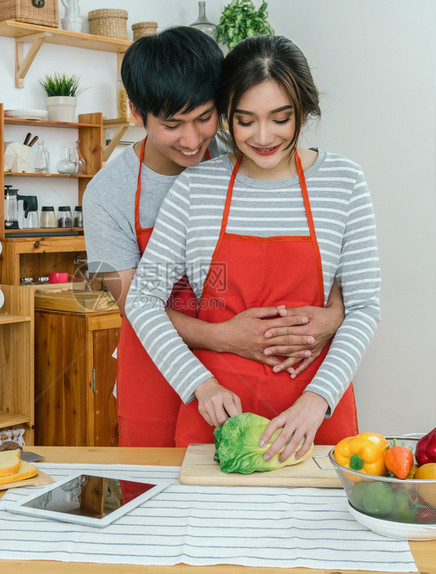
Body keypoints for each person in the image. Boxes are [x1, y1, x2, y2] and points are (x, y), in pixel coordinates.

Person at [83, 27, 345, 448]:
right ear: (136, 112)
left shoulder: (248, 149)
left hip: (238, 370)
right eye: (172, 125)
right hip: (154, 364)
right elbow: (136, 303)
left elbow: (330, 253)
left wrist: (329, 320)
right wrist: (227, 337)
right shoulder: (107, 194)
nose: (192, 140)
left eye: (205, 117)